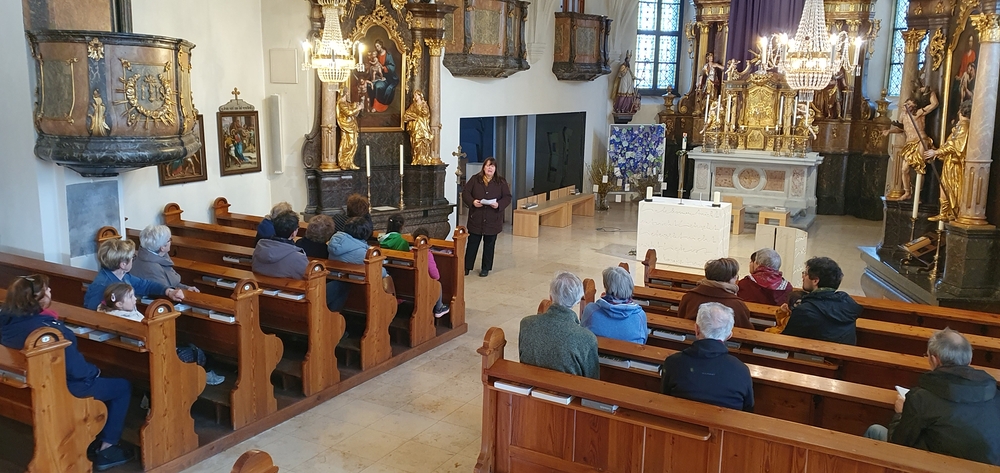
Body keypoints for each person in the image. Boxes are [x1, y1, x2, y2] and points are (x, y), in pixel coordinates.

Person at [1, 275, 136, 470]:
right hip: (65, 389)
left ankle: (93, 437)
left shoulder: (7, 321)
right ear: (36, 299)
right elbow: (76, 370)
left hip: (30, 384)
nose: (50, 291)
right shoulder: (48, 331)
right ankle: (108, 447)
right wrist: (94, 372)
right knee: (122, 387)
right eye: (46, 290)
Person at [864, 328, 1000, 466]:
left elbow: (898, 443)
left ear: (935, 360)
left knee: (874, 431)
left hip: (936, 466)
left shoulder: (921, 399)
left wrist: (900, 414)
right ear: (970, 360)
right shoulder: (994, 392)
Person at [97, 283, 225, 386]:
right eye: (131, 297)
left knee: (186, 345)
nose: (135, 298)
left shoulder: (106, 315)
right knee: (197, 352)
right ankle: (200, 379)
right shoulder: (131, 321)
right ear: (119, 304)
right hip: (155, 361)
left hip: (131, 363)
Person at [660, 302, 754, 412]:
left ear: (696, 330)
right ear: (729, 336)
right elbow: (748, 409)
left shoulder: (673, 362)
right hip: (725, 422)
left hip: (679, 419)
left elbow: (665, 398)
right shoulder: (741, 370)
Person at [519, 271, 599, 379]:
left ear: (551, 297)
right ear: (578, 301)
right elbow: (592, 380)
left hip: (530, 385)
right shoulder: (587, 338)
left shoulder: (526, 324)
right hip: (568, 389)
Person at [778, 257, 862, 345]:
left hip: (813, 353)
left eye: (805, 274)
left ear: (815, 281)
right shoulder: (847, 303)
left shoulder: (805, 311)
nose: (803, 276)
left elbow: (786, 342)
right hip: (845, 352)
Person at [84, 239, 184, 311]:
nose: (133, 259)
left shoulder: (122, 276)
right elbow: (93, 314)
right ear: (123, 265)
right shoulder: (102, 285)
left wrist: (168, 291)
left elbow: (146, 285)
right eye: (132, 257)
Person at [881, 82, 938, 201]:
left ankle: (918, 194)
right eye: (906, 104)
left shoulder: (919, 113)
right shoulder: (903, 116)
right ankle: (907, 192)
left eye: (909, 104)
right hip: (909, 143)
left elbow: (934, 104)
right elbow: (901, 129)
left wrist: (931, 92)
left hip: (920, 140)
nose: (906, 106)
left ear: (914, 106)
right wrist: (889, 131)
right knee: (904, 169)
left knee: (919, 167)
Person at [462, 156, 512, 277]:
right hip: (476, 218)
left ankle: (485, 268)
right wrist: (473, 202)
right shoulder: (475, 179)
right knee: (472, 243)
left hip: (492, 219)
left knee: (489, 245)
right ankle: (467, 267)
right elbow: (466, 193)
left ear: (495, 168)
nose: (490, 168)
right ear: (483, 167)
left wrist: (498, 204)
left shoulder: (501, 181)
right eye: (488, 165)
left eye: (492, 166)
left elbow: (507, 197)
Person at [923, 100, 971, 222]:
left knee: (951, 187)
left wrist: (936, 152)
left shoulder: (964, 126)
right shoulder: (960, 126)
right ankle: (944, 212)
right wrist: (937, 152)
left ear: (961, 111)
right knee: (944, 186)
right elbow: (949, 144)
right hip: (950, 162)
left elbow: (955, 145)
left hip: (955, 164)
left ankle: (950, 212)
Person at [327, 216, 388, 312]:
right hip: (356, 285)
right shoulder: (363, 253)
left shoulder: (335, 241)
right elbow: (379, 272)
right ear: (365, 233)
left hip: (338, 277)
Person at [677, 258, 754, 330]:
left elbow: (680, 320)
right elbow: (746, 330)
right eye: (735, 276)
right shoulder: (737, 305)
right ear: (730, 279)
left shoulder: (689, 297)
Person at [581, 266, 648, 344]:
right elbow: (644, 340)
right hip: (631, 352)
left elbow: (582, 335)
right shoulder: (639, 315)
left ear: (607, 287)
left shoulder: (591, 310)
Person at [130, 224, 201, 293]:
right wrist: (185, 292)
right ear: (162, 248)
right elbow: (165, 291)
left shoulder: (157, 255)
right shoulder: (153, 268)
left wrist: (186, 288)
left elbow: (172, 283)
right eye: (169, 239)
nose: (171, 241)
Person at [252, 210, 308, 279]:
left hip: (259, 284)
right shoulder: (298, 258)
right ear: (293, 234)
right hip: (287, 286)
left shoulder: (260, 246)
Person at [412, 227, 450, 318]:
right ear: (427, 240)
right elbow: (435, 275)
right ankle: (439, 308)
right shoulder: (427, 254)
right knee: (437, 285)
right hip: (423, 286)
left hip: (410, 285)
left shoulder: (410, 252)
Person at [403, 90, 439, 165]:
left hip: (422, 127)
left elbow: (426, 114)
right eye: (414, 95)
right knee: (415, 141)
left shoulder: (424, 104)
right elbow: (406, 115)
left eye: (416, 95)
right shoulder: (413, 105)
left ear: (420, 96)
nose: (415, 97)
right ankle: (417, 158)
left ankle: (424, 158)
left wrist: (417, 116)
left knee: (423, 142)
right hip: (415, 128)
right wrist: (414, 117)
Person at [367, 39, 398, 112]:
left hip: (388, 77)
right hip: (378, 76)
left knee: (378, 86)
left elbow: (392, 66)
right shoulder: (376, 55)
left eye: (377, 46)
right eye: (375, 46)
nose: (376, 48)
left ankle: (377, 106)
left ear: (381, 45)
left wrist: (384, 68)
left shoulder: (388, 55)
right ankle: (370, 105)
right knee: (369, 85)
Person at [336, 91, 364, 171]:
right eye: (347, 93)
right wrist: (358, 108)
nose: (348, 94)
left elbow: (354, 114)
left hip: (352, 126)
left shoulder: (347, 103)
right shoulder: (341, 104)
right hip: (347, 126)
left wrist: (357, 107)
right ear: (343, 94)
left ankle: (350, 162)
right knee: (348, 144)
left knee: (354, 144)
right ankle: (343, 163)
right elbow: (348, 113)